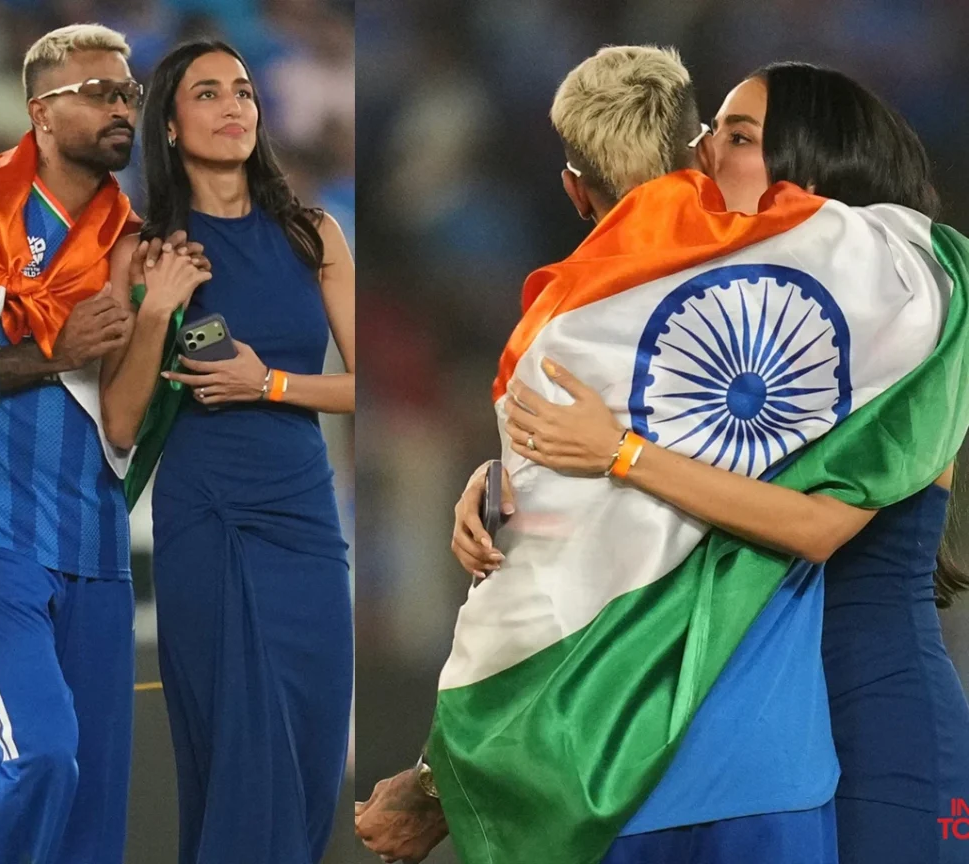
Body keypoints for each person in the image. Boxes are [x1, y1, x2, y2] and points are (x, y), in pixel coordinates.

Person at [360, 45, 962, 864]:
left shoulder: (901, 328)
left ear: (809, 173)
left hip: (876, 717)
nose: (703, 154)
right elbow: (619, 526)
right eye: (709, 131)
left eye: (736, 137)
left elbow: (812, 525)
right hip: (759, 729)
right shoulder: (734, 341)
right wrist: (514, 479)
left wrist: (619, 453)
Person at [0, 23, 206, 864]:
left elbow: (122, 423)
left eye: (127, 93)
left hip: (95, 545)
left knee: (94, 816)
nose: (120, 108)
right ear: (41, 113)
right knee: (41, 755)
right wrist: (53, 354)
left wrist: (156, 314)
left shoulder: (130, 240)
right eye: (97, 92)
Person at [99, 39, 355, 864]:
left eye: (242, 90)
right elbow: (120, 423)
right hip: (205, 521)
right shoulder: (141, 251)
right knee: (236, 757)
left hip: (305, 521)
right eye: (207, 93)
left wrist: (267, 383)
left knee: (312, 754)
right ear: (170, 127)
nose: (234, 106)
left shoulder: (315, 234)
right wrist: (155, 310)